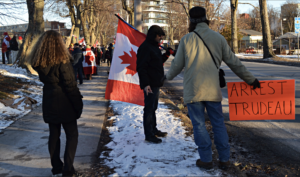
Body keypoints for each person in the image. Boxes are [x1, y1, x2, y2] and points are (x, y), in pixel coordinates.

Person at [164, 6, 261, 170]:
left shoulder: (186, 39)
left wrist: (165, 78)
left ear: (191, 21)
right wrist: (251, 80)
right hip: (212, 90)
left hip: (193, 92)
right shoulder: (218, 38)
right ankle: (224, 159)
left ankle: (206, 159)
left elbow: (176, 66)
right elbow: (234, 63)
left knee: (199, 125)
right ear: (206, 18)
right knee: (218, 124)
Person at [30, 30, 83, 176]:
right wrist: (78, 104)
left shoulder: (39, 61)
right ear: (59, 44)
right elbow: (70, 85)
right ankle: (67, 168)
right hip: (65, 102)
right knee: (72, 135)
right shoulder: (62, 61)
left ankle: (57, 166)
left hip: (49, 100)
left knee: (54, 135)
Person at [136, 25, 174, 144]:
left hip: (156, 83)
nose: (161, 38)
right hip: (150, 84)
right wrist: (146, 84)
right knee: (149, 109)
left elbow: (158, 63)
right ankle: (149, 134)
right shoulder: (145, 48)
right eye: (159, 36)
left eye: (162, 36)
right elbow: (141, 68)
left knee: (153, 108)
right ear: (153, 35)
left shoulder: (154, 47)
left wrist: (167, 54)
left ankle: (153, 129)